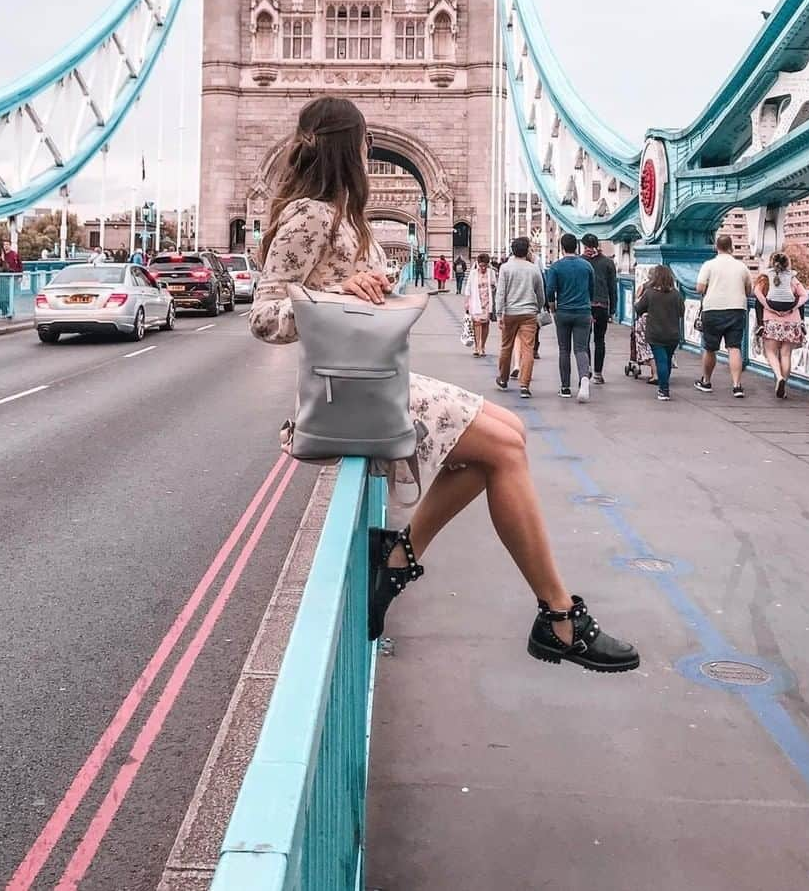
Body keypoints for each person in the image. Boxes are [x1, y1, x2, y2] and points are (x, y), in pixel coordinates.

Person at [249, 96, 638, 672]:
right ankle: (558, 615)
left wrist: (369, 282)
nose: (367, 150)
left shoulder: (341, 215)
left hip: (377, 375)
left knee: (505, 437)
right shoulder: (310, 214)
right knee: (505, 448)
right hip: (353, 390)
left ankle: (401, 557)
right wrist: (340, 295)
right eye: (361, 141)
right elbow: (264, 317)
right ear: (347, 147)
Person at [694, 235, 753, 398]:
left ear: (716, 247)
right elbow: (749, 290)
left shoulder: (709, 265)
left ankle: (706, 381)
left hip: (713, 309)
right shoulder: (741, 267)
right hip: (736, 309)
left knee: (710, 348)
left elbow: (699, 288)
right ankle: (737, 386)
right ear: (731, 247)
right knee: (734, 348)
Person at [545, 233, 595, 401]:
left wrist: (552, 307)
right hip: (583, 311)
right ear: (577, 247)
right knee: (581, 349)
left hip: (564, 312)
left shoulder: (556, 267)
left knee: (564, 350)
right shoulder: (587, 266)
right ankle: (584, 378)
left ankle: (565, 387)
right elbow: (592, 289)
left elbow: (550, 290)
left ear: (561, 247)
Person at [754, 250, 809, 399]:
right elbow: (805, 296)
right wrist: (793, 307)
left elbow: (757, 294)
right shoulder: (792, 278)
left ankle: (779, 377)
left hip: (771, 321)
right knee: (786, 354)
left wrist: (769, 306)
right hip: (792, 322)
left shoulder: (765, 278)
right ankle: (783, 388)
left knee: (771, 352)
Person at [495, 237, 545, 396]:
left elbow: (501, 292)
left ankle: (503, 379)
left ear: (512, 250)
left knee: (506, 346)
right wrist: (538, 308)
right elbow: (540, 293)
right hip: (529, 313)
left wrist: (498, 312)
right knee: (528, 349)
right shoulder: (534, 268)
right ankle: (524, 385)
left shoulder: (505, 268)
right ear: (527, 251)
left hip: (510, 312)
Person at [634, 265, 685, 400]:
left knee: (661, 360)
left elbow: (638, 308)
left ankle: (664, 389)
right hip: (673, 334)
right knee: (667, 360)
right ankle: (664, 384)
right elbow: (682, 312)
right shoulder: (676, 294)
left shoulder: (650, 293)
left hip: (655, 333)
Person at [581, 234, 617, 385]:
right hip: (602, 306)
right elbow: (612, 288)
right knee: (600, 340)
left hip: (585, 306)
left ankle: (587, 369)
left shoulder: (581, 261)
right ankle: (598, 373)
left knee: (585, 340)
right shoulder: (608, 263)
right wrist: (613, 308)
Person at [465, 253, 495, 358]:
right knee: (476, 323)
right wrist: (467, 302)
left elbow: (495, 286)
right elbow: (468, 287)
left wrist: (493, 287)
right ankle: (477, 347)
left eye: (485, 266)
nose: (483, 268)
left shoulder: (491, 273)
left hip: (487, 301)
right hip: (476, 301)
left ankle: (483, 346)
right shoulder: (473, 273)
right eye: (481, 265)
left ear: (488, 264)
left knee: (485, 324)